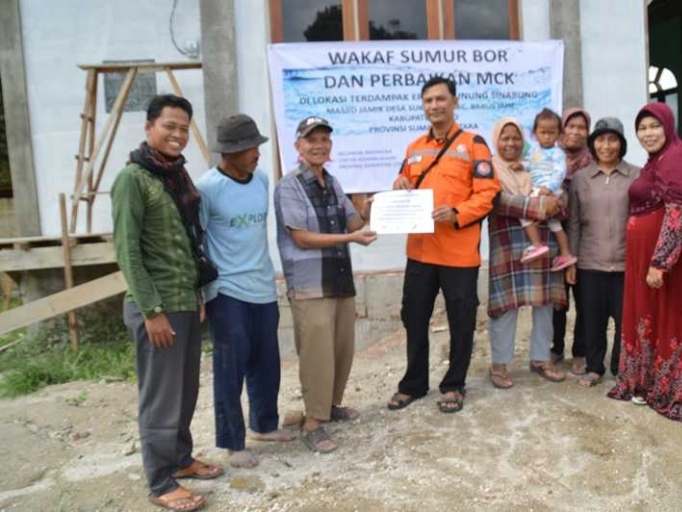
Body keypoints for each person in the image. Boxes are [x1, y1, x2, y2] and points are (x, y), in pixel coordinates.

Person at [112, 94, 222, 512]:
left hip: (183, 302)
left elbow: (186, 245)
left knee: (184, 389)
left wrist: (195, 297)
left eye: (183, 128)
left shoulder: (175, 177)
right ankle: (160, 481)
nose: (177, 135)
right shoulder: (133, 179)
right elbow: (128, 251)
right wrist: (152, 311)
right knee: (160, 396)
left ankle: (180, 458)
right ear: (149, 127)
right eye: (169, 126)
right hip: (155, 306)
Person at [387, 77, 501, 413]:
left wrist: (457, 212)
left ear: (455, 102)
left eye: (440, 99)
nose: (434, 106)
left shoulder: (474, 144)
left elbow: (487, 194)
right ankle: (414, 384)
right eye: (428, 101)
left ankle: (454, 385)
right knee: (415, 317)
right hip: (420, 252)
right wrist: (399, 183)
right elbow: (403, 183)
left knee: (461, 320)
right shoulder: (414, 148)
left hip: (459, 254)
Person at [196, 114, 295, 469]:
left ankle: (264, 425)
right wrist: (201, 294)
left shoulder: (262, 180)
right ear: (231, 152)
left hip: (263, 286)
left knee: (267, 363)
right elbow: (198, 240)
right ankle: (233, 442)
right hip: (226, 289)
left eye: (257, 146)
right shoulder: (207, 188)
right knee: (230, 368)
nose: (257, 153)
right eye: (250, 148)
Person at [608, 103, 682, 423]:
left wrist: (660, 263)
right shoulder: (660, 160)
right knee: (656, 320)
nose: (648, 133)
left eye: (654, 126)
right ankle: (653, 383)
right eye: (642, 128)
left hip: (676, 265)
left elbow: (680, 213)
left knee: (676, 320)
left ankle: (680, 394)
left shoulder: (676, 159)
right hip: (658, 260)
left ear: (668, 127)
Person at [274, 116, 376, 453]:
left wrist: (373, 208)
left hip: (339, 279)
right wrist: (352, 236)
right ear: (298, 146)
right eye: (311, 139)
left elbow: (356, 221)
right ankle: (313, 424)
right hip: (309, 285)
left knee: (341, 349)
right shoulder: (288, 186)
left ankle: (330, 406)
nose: (319, 145)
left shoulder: (332, 183)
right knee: (317, 355)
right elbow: (301, 238)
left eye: (324, 139)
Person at [487, 117, 567, 388]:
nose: (511, 143)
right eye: (505, 138)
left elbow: (559, 198)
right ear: (496, 140)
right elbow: (497, 201)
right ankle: (499, 365)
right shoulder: (489, 169)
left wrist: (551, 202)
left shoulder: (534, 164)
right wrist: (540, 206)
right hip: (507, 247)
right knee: (505, 307)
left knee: (544, 304)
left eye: (516, 138)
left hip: (542, 244)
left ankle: (541, 358)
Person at [567, 117, 640, 387]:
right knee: (592, 319)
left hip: (626, 264)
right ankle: (594, 367)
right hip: (590, 262)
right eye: (600, 139)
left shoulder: (637, 175)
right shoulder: (581, 179)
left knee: (625, 321)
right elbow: (573, 222)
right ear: (592, 144)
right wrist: (572, 260)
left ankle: (621, 367)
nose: (606, 145)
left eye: (612, 140)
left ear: (621, 144)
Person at [551, 107, 592, 371]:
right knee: (556, 297)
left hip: (587, 233)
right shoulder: (549, 156)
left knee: (584, 296)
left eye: (581, 127)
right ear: (562, 128)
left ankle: (581, 351)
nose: (575, 132)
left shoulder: (593, 159)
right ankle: (555, 349)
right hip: (553, 234)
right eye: (571, 126)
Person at [519, 108, 577, 272]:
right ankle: (565, 254)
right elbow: (530, 165)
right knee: (554, 223)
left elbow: (560, 173)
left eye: (551, 133)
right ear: (535, 133)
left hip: (550, 190)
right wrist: (521, 165)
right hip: (539, 188)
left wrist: (549, 188)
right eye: (543, 132)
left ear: (559, 134)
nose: (547, 136)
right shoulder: (534, 150)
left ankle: (537, 245)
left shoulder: (557, 153)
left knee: (525, 214)